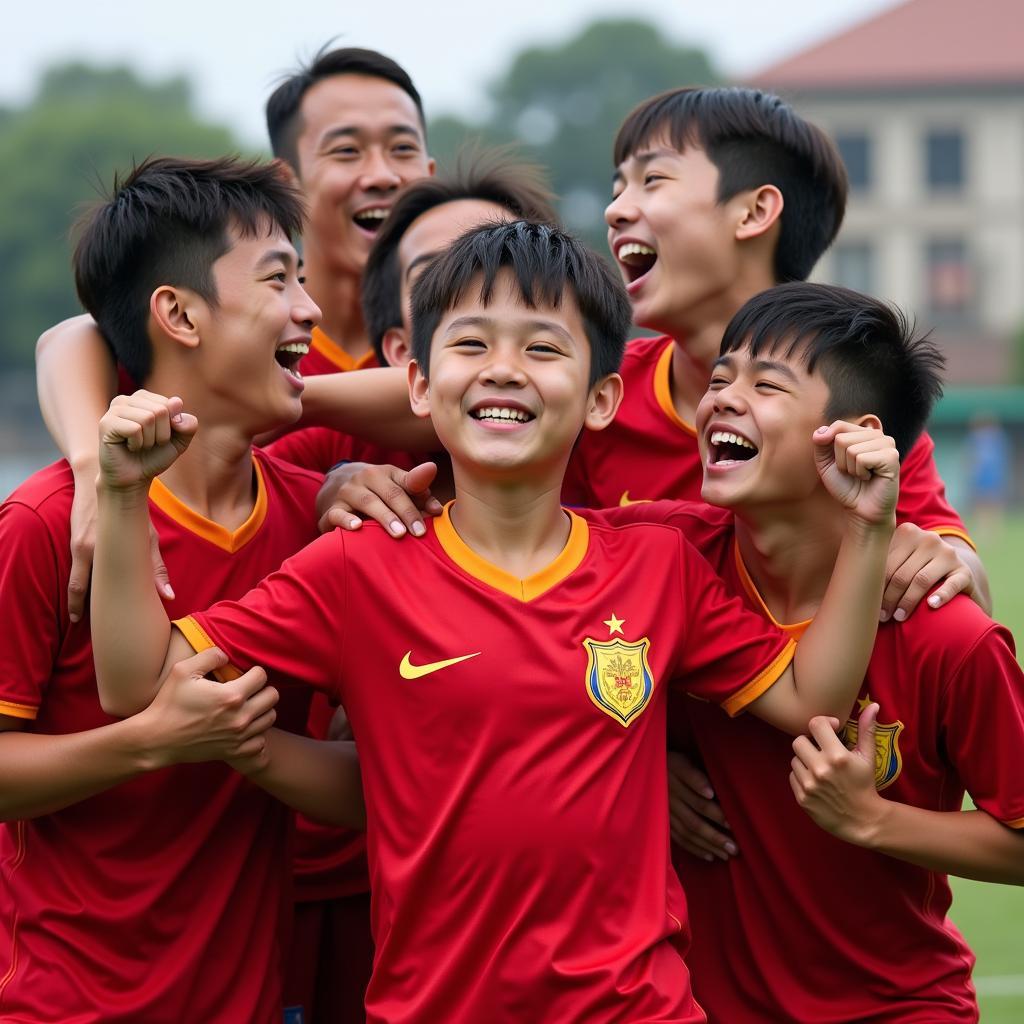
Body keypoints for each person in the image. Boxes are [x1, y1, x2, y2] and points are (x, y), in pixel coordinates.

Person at [90, 221, 898, 1024]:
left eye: (544, 350)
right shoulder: (354, 568)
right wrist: (121, 496)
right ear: (417, 383)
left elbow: (806, 698)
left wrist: (869, 530)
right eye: (471, 345)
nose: (504, 371)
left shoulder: (658, 563)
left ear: (601, 397)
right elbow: (134, 683)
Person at [602, 282, 1024, 1022]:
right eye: (721, 377)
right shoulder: (662, 558)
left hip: (896, 1007)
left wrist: (874, 820)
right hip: (694, 1006)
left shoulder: (946, 635)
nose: (723, 399)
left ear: (853, 437)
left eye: (765, 385)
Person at [0, 156, 342, 1022]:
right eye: (279, 279)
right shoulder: (44, 523)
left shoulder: (319, 520)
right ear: (180, 313)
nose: (309, 310)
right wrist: (151, 741)